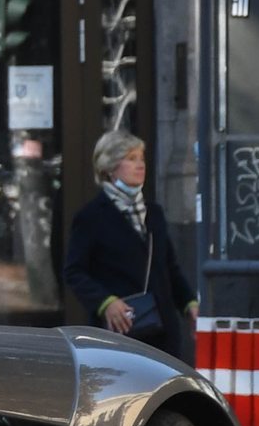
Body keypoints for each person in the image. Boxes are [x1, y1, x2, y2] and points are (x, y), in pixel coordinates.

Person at [63, 131, 196, 357]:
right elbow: (74, 271)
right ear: (110, 167)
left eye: (141, 158)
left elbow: (169, 269)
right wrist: (106, 303)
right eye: (131, 158)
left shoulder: (154, 213)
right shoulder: (92, 216)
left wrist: (189, 305)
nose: (140, 164)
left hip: (163, 335)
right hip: (120, 334)